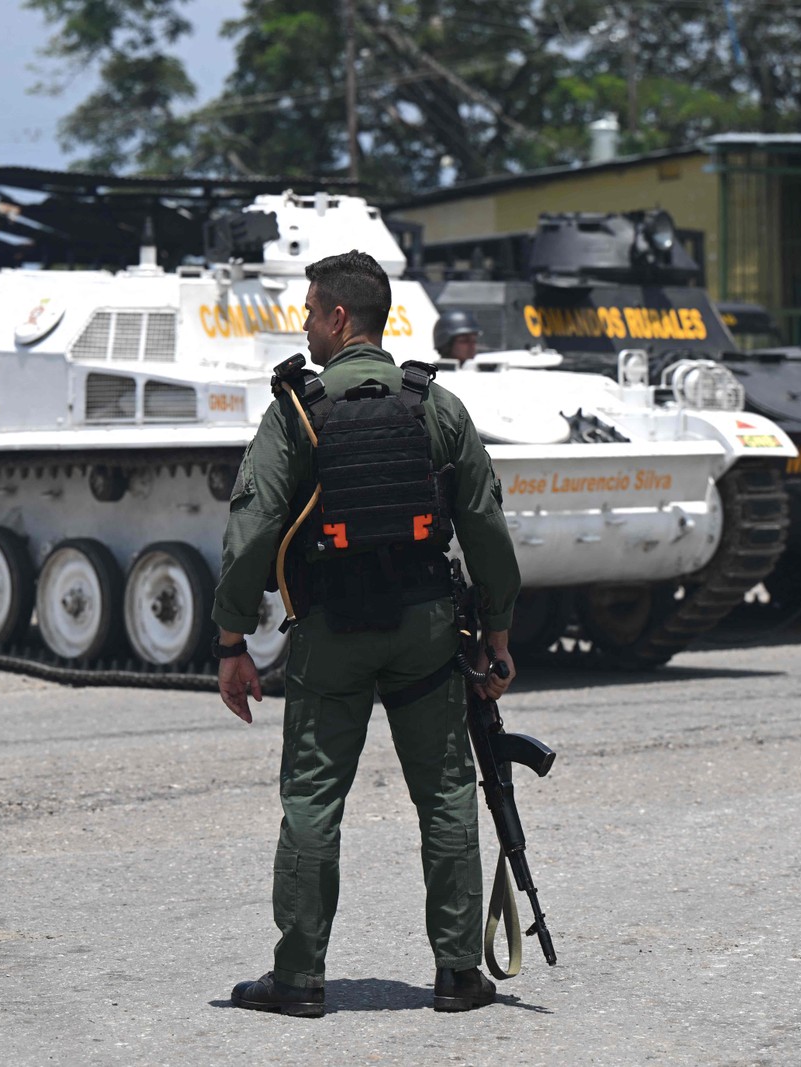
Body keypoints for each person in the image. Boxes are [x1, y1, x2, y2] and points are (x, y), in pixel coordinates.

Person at [212, 250, 521, 1017]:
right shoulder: (434, 404)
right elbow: (484, 523)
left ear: (340, 317)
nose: (306, 325)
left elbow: (252, 532)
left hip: (333, 629)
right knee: (447, 792)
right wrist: (499, 633)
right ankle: (458, 972)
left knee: (315, 799)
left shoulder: (297, 407)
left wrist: (229, 642)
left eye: (312, 311)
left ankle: (299, 978)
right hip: (425, 627)